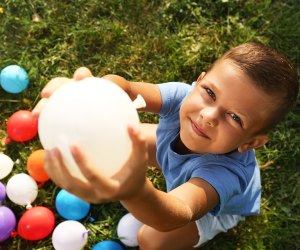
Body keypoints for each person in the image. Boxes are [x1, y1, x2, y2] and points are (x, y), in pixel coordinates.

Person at [33, 42, 299, 249]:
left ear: (251, 142)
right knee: (126, 136)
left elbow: (175, 214)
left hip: (216, 211)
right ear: (199, 81)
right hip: (176, 161)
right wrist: (93, 91)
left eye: (234, 117)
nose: (208, 116)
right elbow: (125, 90)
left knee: (151, 239)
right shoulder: (184, 96)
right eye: (209, 93)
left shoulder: (226, 173)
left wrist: (136, 189)